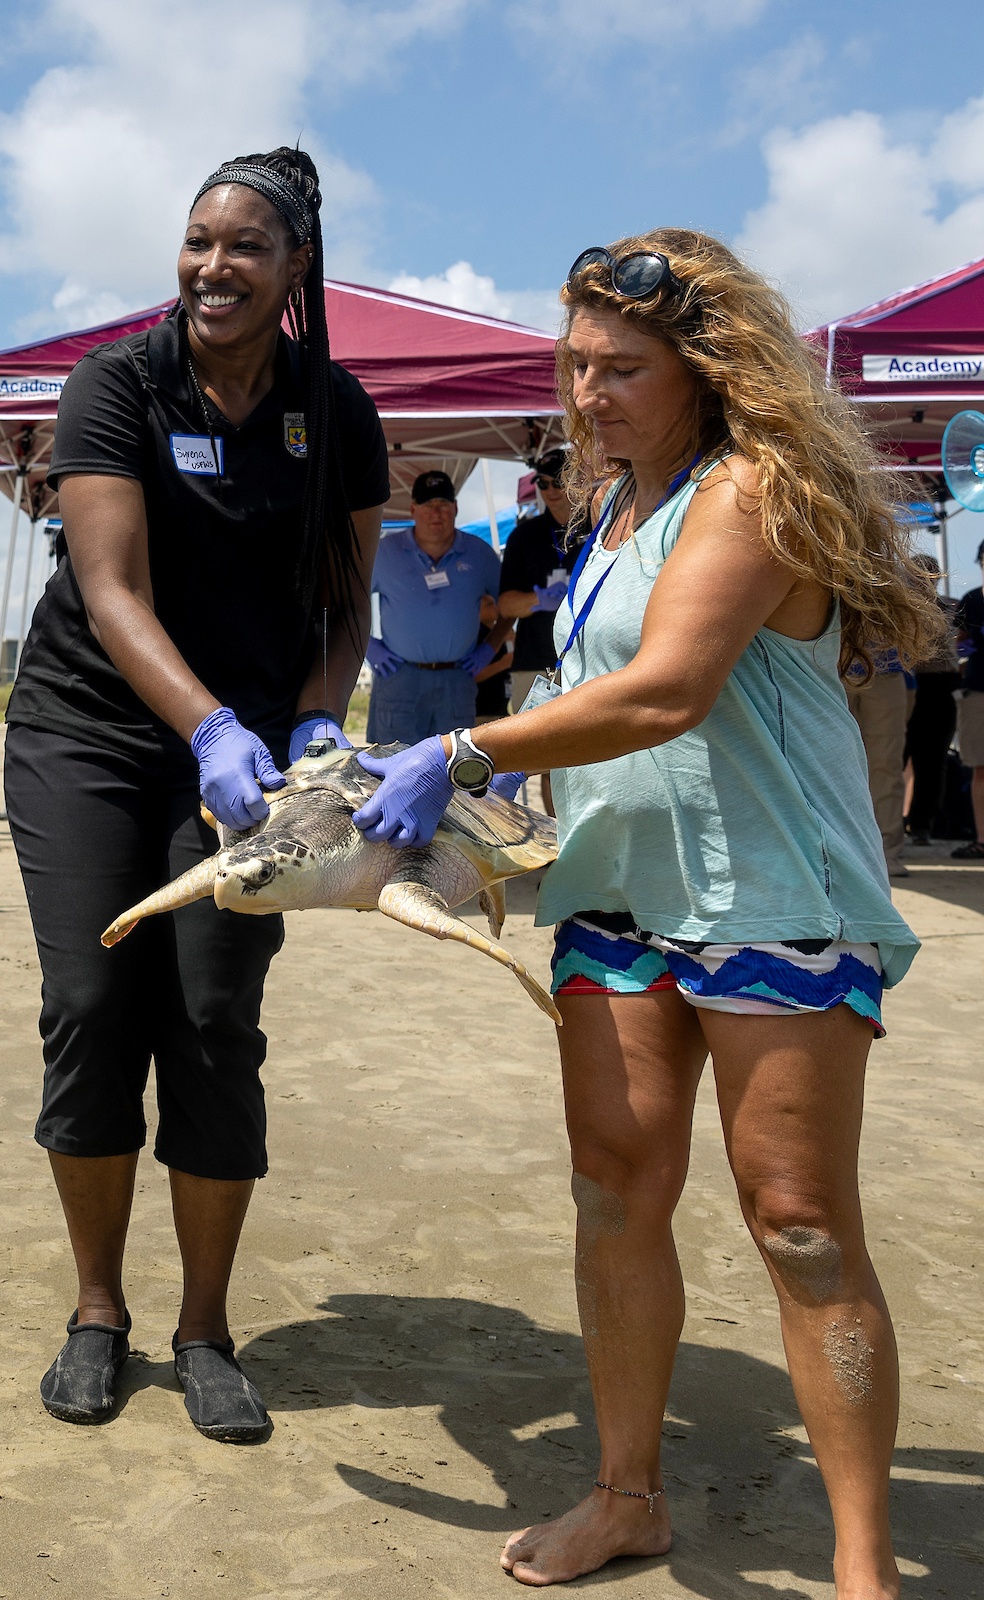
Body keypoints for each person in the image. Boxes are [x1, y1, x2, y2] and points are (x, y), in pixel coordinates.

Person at [354, 232, 941, 1594]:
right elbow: (624, 726)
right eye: (574, 367)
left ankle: (865, 1570)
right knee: (615, 1196)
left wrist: (458, 752)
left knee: (798, 1219)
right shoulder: (606, 517)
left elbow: (668, 691)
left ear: (705, 366)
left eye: (621, 368)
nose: (588, 394)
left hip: (774, 898)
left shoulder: (750, 492)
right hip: (619, 894)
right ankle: (629, 1495)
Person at [2, 148, 387, 1439]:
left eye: (245, 247)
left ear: (295, 270)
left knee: (215, 1017)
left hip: (257, 756)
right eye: (197, 241)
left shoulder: (334, 406)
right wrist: (212, 722)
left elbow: (344, 596)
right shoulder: (117, 383)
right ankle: (98, 1308)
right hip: (91, 734)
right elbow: (111, 590)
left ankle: (207, 1326)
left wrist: (318, 711)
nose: (213, 266)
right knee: (95, 999)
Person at [365, 469, 500, 744]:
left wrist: (491, 648)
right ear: (413, 509)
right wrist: (367, 646)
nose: (435, 513)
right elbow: (343, 602)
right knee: (394, 769)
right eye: (428, 505)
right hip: (398, 678)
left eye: (443, 505)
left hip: (457, 679)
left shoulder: (480, 553)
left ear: (456, 508)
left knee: (455, 772)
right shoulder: (384, 552)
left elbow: (509, 605)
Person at [496, 446, 578, 716]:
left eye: (558, 482)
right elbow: (506, 606)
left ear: (575, 480)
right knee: (531, 756)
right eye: (543, 483)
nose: (551, 490)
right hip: (535, 665)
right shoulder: (524, 535)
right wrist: (539, 599)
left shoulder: (599, 526)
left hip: (587, 663)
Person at [901, 557, 957, 847]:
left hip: (940, 688)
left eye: (931, 574)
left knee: (933, 761)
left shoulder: (947, 608)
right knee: (893, 757)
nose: (927, 579)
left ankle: (922, 824)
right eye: (920, 574)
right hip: (910, 684)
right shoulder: (901, 607)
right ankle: (892, 825)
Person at [843, 643, 911, 876]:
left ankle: (887, 852)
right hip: (829, 666)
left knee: (886, 765)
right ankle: (837, 848)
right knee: (831, 763)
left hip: (886, 669)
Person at [953, 543, 984, 858]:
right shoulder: (972, 601)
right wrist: (964, 657)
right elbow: (959, 643)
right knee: (979, 767)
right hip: (978, 690)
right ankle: (981, 839)